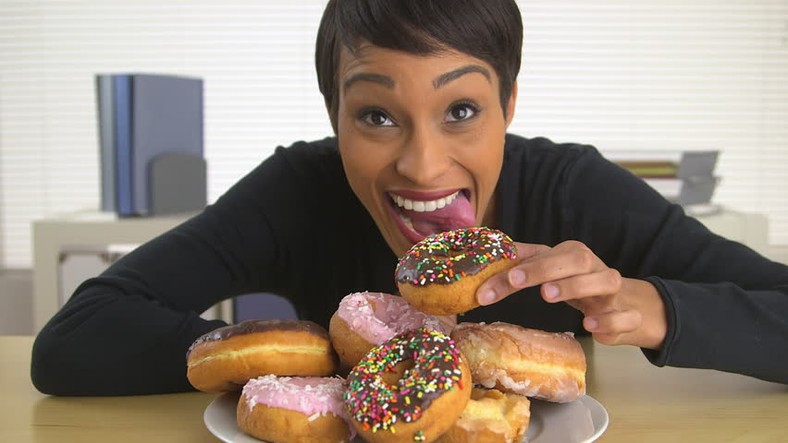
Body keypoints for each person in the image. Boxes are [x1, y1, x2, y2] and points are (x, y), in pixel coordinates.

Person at [31, 0, 788, 396]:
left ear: (510, 104)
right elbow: (73, 340)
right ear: (335, 118)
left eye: (461, 110)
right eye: (377, 115)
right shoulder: (298, 189)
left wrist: (656, 308)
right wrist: (315, 359)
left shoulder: (573, 189)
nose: (424, 166)